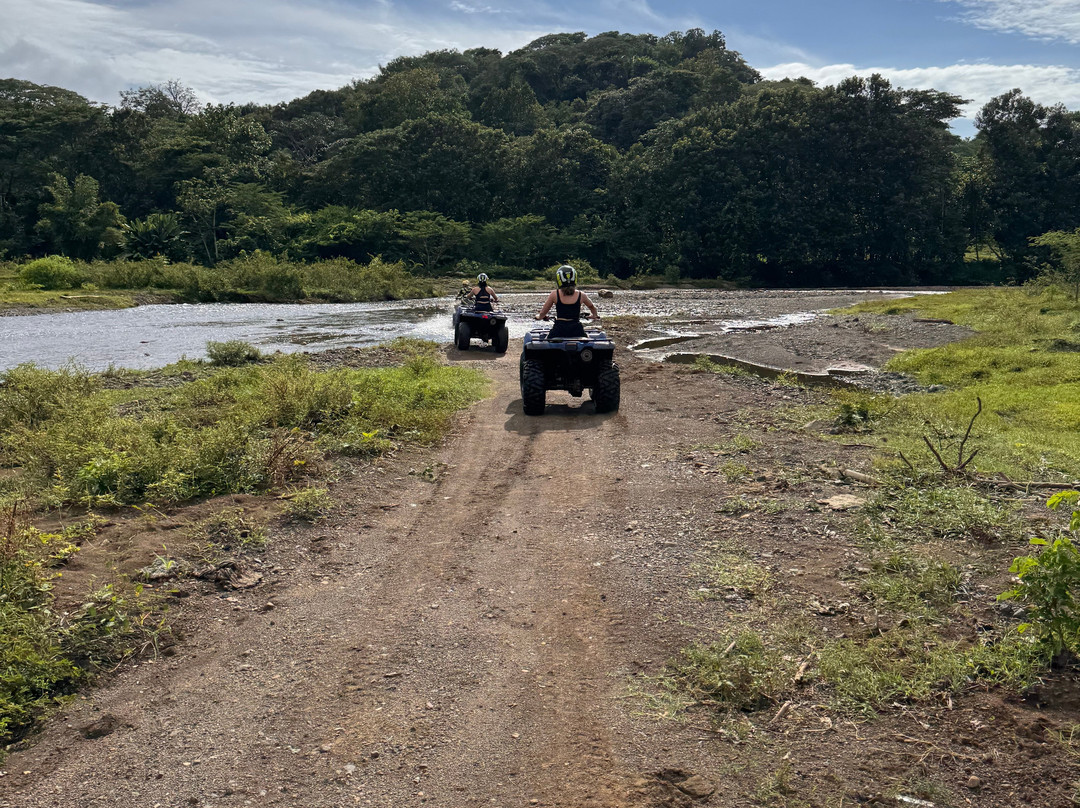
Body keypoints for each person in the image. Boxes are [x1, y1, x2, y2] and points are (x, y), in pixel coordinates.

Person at [535, 265, 599, 338]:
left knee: (546, 340)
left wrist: (538, 316)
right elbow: (592, 307)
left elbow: (543, 313)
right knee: (586, 338)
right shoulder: (581, 295)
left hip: (559, 329)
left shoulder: (554, 294)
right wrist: (594, 315)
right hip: (576, 329)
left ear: (559, 279)